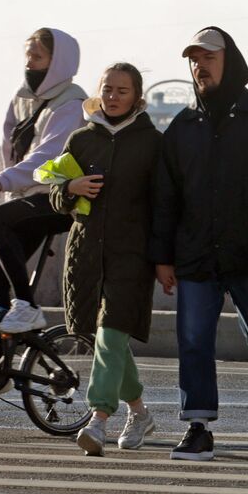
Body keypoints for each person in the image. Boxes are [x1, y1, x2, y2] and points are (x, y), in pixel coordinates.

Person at [149, 27, 248, 461]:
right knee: (193, 339)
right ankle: (198, 427)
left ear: (228, 61)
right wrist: (162, 256)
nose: (200, 67)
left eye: (208, 59)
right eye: (194, 60)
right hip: (196, 254)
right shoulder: (182, 127)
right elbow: (166, 197)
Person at [36, 63, 161, 455]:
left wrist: (164, 258)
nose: (113, 96)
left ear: (137, 97)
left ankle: (98, 419)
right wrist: (70, 188)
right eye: (108, 88)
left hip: (133, 255)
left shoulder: (153, 143)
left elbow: (165, 205)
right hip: (86, 253)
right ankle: (140, 412)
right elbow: (57, 197)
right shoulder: (81, 140)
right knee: (106, 338)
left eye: (122, 90)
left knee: (111, 333)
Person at [0, 28, 86, 409]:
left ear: (57, 61)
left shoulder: (70, 103)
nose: (29, 65)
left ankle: (29, 306)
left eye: (37, 58)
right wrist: (7, 176)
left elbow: (47, 157)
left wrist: (3, 181)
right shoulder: (23, 98)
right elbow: (10, 142)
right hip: (28, 197)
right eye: (28, 57)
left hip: (59, 198)